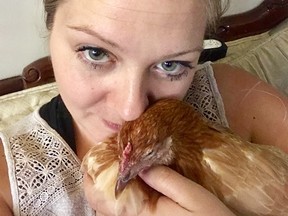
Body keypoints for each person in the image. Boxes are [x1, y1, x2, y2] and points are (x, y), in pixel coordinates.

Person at [0, 0, 288, 215]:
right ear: (50, 29)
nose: (131, 109)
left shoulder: (237, 97)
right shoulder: (9, 183)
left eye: (170, 64)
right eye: (96, 52)